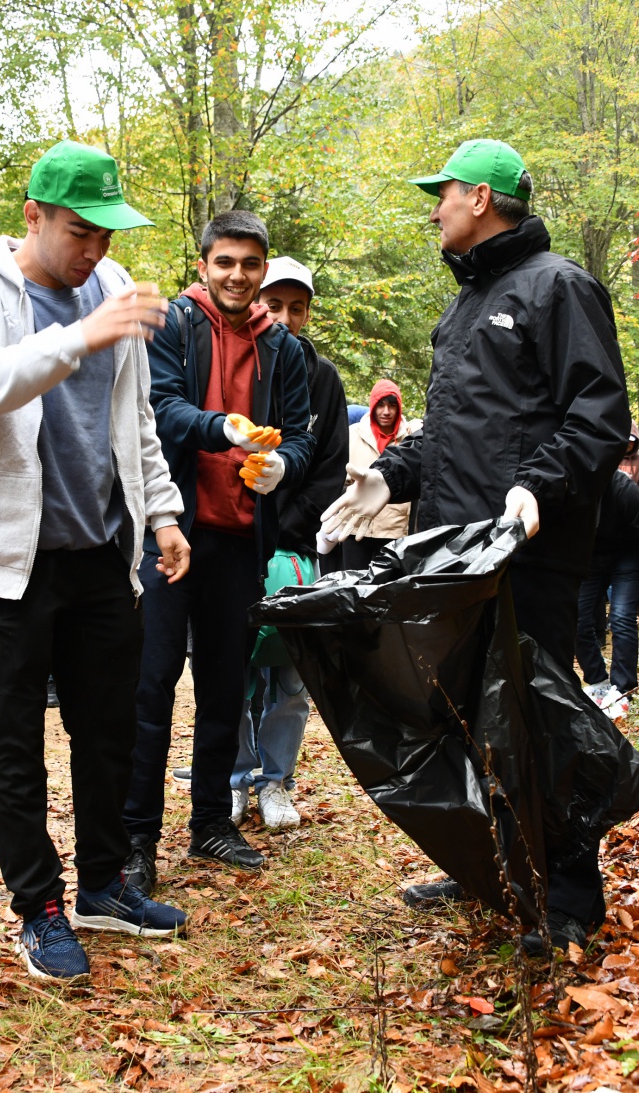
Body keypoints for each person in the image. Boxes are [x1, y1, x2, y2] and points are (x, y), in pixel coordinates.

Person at [322, 138, 630, 954]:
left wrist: (539, 485)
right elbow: (453, 436)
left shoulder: (558, 287)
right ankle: (492, 867)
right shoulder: (460, 311)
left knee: (537, 716)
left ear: (484, 198)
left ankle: (567, 896)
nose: (436, 207)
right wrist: (385, 477)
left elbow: (598, 416)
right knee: (469, 718)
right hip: (453, 557)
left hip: (530, 553)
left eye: (446, 193)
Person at [0, 139, 191, 982]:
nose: (96, 252)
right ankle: (38, 906)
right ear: (34, 216)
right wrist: (80, 334)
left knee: (107, 729)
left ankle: (104, 885)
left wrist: (162, 514)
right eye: (81, 232)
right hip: (7, 562)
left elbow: (139, 420)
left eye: (108, 235)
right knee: (13, 743)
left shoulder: (111, 290)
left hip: (98, 553)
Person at [123, 210, 315, 890]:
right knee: (150, 686)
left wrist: (280, 467)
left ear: (264, 271)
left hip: (239, 541)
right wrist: (224, 428)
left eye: (250, 264)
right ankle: (136, 838)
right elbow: (159, 407)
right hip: (171, 534)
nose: (237, 275)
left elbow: (299, 437)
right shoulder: (174, 325)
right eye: (225, 262)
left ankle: (210, 821)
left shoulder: (284, 348)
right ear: (204, 263)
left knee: (225, 686)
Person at [228, 256, 349, 831]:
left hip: (297, 549)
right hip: (233, 540)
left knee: (290, 675)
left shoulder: (323, 377)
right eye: (274, 304)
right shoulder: (235, 364)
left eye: (295, 308)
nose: (284, 316)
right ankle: (233, 778)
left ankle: (277, 780)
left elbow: (327, 470)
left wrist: (283, 526)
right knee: (232, 671)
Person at [576, 471, 639, 701]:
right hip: (594, 556)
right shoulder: (572, 490)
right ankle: (599, 681)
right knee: (575, 615)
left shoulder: (625, 492)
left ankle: (623, 689)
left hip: (631, 554)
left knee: (620, 617)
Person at [338, 378, 413, 569]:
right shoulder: (352, 434)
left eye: (391, 406)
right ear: (372, 406)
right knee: (352, 587)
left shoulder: (409, 440)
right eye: (380, 405)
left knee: (387, 590)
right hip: (354, 525)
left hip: (393, 531)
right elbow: (337, 471)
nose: (386, 412)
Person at [617, 419, 639, 491]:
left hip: (635, 500)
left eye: (630, 440)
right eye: (625, 439)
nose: (627, 443)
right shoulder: (611, 455)